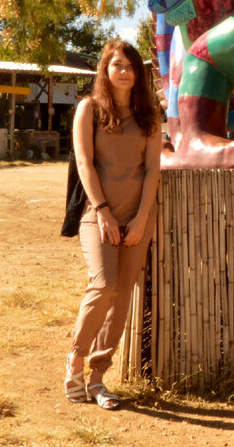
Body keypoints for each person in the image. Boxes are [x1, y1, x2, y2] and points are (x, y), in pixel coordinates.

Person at [64, 40, 162, 410]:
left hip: (138, 216)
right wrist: (103, 210)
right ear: (105, 70)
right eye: (117, 65)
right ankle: (74, 362)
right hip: (98, 212)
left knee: (121, 296)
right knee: (102, 285)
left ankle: (97, 379)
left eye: (131, 66)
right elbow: (85, 164)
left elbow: (153, 168)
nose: (125, 71)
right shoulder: (89, 109)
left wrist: (141, 218)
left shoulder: (149, 113)